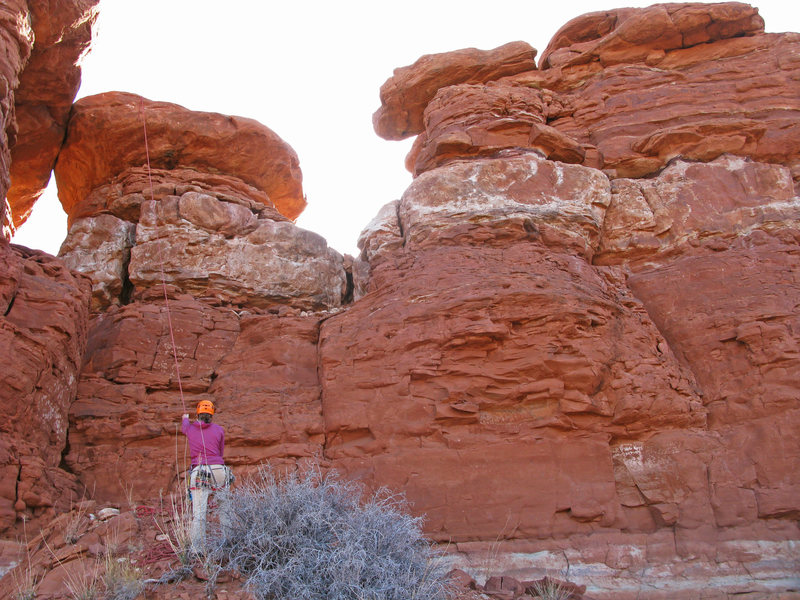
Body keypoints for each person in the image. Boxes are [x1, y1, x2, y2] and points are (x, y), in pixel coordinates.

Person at [181, 400, 232, 553]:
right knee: (225, 509)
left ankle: (198, 549)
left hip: (201, 471)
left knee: (199, 513)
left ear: (198, 413)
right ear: (212, 414)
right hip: (219, 470)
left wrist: (185, 417)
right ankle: (229, 542)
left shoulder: (189, 429)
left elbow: (185, 427)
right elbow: (220, 452)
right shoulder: (219, 430)